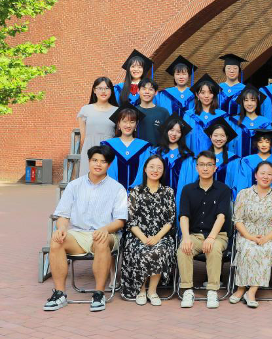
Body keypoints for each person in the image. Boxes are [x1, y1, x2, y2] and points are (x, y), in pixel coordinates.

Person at [44, 145, 128, 312]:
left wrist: (105, 229)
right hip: (78, 234)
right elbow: (63, 215)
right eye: (95, 160)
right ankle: (60, 294)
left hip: (106, 234)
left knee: (101, 241)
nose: (98, 164)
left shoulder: (117, 189)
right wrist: (61, 228)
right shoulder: (74, 186)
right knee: (56, 240)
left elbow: (120, 221)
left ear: (109, 165)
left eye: (103, 161)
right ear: (89, 161)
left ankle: (99, 293)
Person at [177, 150, 233, 309]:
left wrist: (211, 237)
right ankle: (187, 290)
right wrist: (186, 238)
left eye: (209, 165)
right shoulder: (187, 190)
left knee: (214, 248)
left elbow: (221, 217)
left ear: (215, 167)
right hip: (194, 235)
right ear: (196, 168)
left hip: (217, 235)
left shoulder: (223, 190)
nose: (205, 168)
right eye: (202, 165)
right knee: (183, 249)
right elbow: (184, 216)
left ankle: (212, 290)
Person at [230, 161, 272, 308]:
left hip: (271, 235)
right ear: (255, 175)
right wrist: (249, 236)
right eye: (262, 173)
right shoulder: (244, 194)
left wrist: (266, 238)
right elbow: (238, 220)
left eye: (269, 174)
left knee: (264, 250)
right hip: (246, 233)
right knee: (248, 248)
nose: (265, 176)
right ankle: (241, 288)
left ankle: (251, 291)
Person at [122, 156, 176, 304]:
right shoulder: (135, 191)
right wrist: (144, 239)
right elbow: (131, 221)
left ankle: (152, 291)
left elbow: (170, 220)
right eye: (151, 166)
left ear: (163, 171)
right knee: (141, 250)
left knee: (159, 250)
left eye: (159, 167)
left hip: (161, 236)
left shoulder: (168, 192)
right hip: (138, 236)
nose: (155, 170)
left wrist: (157, 237)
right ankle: (141, 290)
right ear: (145, 169)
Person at [180, 118, 242, 195]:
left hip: (225, 199)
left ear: (227, 138)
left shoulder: (234, 160)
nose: (218, 139)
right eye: (215, 135)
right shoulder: (201, 157)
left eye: (222, 136)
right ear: (210, 136)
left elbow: (236, 185)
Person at [102, 104, 152, 191]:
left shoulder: (144, 147)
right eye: (124, 121)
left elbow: (143, 170)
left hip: (137, 193)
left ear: (136, 125)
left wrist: (135, 190)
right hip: (114, 192)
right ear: (118, 124)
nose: (128, 125)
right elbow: (109, 170)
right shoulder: (109, 145)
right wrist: (117, 190)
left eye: (132, 122)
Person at [77, 77, 118, 177]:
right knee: (87, 179)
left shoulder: (117, 111)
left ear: (111, 91)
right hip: (89, 149)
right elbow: (83, 138)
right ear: (94, 90)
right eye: (100, 88)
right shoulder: (85, 110)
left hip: (109, 150)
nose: (103, 91)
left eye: (107, 88)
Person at [152, 115, 193, 203]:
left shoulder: (186, 156)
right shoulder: (156, 153)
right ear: (166, 131)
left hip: (180, 200)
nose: (174, 134)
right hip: (158, 200)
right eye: (171, 130)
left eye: (178, 131)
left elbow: (189, 181)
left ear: (181, 135)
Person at [183, 74, 228, 155]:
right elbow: (185, 140)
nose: (206, 96)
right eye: (202, 93)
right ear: (197, 95)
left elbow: (225, 141)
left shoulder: (222, 116)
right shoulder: (188, 115)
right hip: (194, 158)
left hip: (215, 159)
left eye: (210, 92)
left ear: (214, 95)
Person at [230, 85, 272, 159]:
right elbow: (231, 146)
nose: (249, 104)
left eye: (253, 100)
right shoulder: (234, 121)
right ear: (242, 102)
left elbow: (269, 147)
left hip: (260, 164)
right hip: (239, 163)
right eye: (246, 100)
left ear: (257, 102)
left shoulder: (265, 123)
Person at [135, 78, 170, 147]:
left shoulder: (163, 112)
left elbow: (167, 135)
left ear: (156, 92)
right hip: (137, 150)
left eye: (150, 89)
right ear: (138, 91)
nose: (147, 92)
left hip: (157, 151)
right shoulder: (133, 111)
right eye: (144, 89)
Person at [217, 53, 248, 119]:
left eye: (235, 68)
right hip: (219, 123)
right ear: (224, 70)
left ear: (239, 70)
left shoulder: (245, 89)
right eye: (228, 68)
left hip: (238, 123)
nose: (231, 71)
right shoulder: (218, 88)